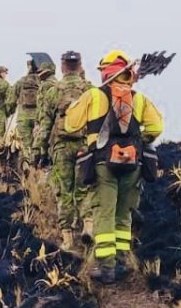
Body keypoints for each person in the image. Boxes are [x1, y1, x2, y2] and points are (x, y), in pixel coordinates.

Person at [64, 51, 163, 284]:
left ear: (106, 72)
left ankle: (106, 267)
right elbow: (156, 128)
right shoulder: (139, 99)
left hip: (102, 164)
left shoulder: (94, 95)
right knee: (123, 214)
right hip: (133, 165)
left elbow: (70, 125)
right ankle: (122, 262)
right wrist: (138, 141)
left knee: (104, 213)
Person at [35, 51, 92, 250]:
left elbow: (45, 125)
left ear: (62, 67)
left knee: (64, 192)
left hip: (61, 147)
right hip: (85, 146)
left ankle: (68, 240)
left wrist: (40, 151)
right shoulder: (90, 90)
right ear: (80, 66)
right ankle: (88, 225)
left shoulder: (54, 91)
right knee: (85, 188)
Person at [13, 58, 42, 151]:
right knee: (38, 145)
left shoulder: (21, 81)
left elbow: (11, 99)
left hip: (23, 118)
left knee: (24, 146)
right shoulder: (42, 81)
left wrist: (10, 110)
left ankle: (25, 159)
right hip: (38, 118)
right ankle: (35, 159)